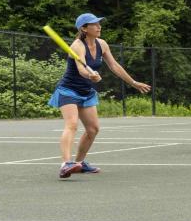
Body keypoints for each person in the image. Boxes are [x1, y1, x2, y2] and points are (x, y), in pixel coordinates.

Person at [47, 13, 151, 179]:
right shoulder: (77, 45)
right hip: (68, 90)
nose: (99, 26)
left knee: (93, 129)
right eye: (94, 24)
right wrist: (91, 75)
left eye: (99, 23)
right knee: (72, 124)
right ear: (84, 28)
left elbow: (114, 66)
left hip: (86, 93)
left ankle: (79, 164)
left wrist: (133, 83)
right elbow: (81, 69)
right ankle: (66, 164)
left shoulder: (102, 44)